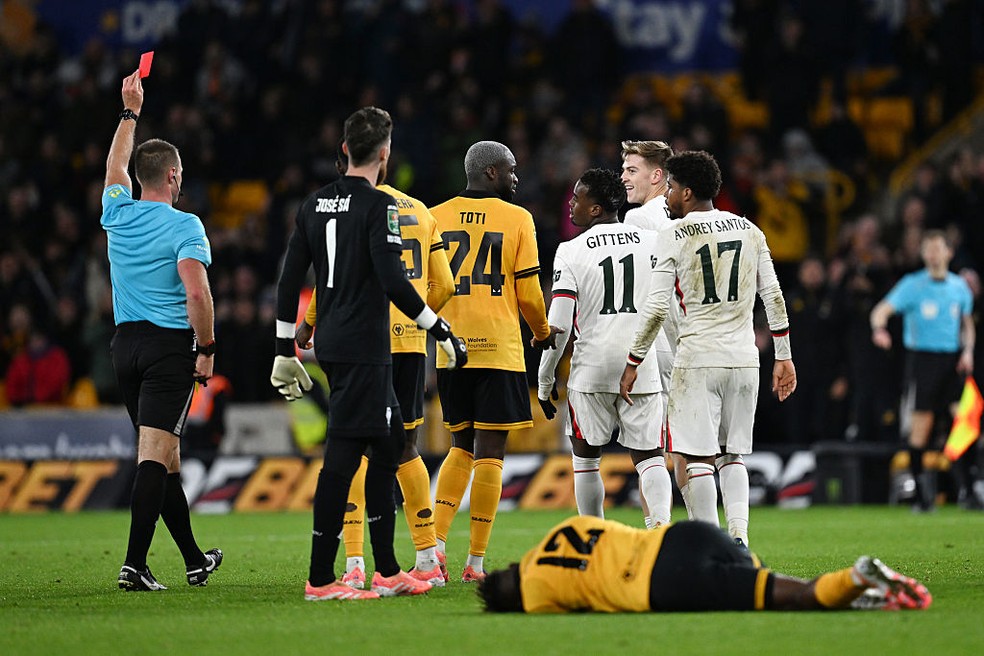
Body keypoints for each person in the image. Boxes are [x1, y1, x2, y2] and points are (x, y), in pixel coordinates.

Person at [271, 106, 467, 601]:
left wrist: (283, 347)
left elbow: (290, 278)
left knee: (385, 448)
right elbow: (392, 279)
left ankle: (386, 569)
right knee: (343, 457)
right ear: (385, 154)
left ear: (344, 151)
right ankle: (321, 578)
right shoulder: (380, 206)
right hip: (365, 344)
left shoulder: (313, 204)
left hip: (336, 342)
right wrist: (438, 328)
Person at [619, 151, 797, 549]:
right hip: (744, 358)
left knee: (695, 459)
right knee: (732, 456)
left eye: (670, 190)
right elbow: (773, 296)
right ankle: (739, 537)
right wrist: (783, 356)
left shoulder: (674, 234)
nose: (665, 197)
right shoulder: (751, 230)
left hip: (696, 358)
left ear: (686, 191)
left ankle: (712, 545)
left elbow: (657, 306)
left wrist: (634, 360)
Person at [102, 71, 222, 591]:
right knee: (154, 454)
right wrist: (208, 348)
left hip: (123, 347)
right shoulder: (185, 226)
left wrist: (130, 111)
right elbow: (196, 292)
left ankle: (195, 559)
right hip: (169, 349)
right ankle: (133, 565)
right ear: (172, 177)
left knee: (164, 453)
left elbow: (113, 166)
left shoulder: (116, 212)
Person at [429, 140, 562, 582]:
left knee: (459, 446)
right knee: (490, 453)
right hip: (499, 347)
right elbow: (528, 292)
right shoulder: (518, 218)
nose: (516, 177)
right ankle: (475, 564)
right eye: (510, 169)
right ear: (490, 173)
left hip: (451, 348)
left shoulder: (434, 215)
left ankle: (434, 552)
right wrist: (542, 333)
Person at [537, 169, 672, 529]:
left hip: (592, 365)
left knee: (585, 459)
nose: (570, 203)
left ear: (595, 209)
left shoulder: (570, 250)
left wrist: (545, 378)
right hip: (640, 362)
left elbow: (560, 325)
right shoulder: (652, 241)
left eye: (577, 197)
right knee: (650, 458)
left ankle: (594, 539)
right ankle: (659, 535)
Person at [476, 515, 932, 613]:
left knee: (788, 598)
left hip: (666, 582)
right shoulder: (562, 527)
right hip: (686, 534)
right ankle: (861, 596)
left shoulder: (535, 597)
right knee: (760, 577)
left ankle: (855, 579)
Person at [870, 230, 976, 512]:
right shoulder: (912, 285)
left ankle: (967, 491)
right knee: (921, 429)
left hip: (952, 362)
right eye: (927, 249)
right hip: (923, 361)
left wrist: (967, 351)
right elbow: (880, 311)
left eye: (937, 248)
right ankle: (920, 497)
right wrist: (879, 329)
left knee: (962, 424)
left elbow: (966, 324)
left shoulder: (959, 287)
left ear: (948, 253)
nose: (932, 254)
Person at [620, 140, 685, 513]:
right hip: (687, 340)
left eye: (632, 170)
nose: (624, 178)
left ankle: (655, 536)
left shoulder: (638, 219)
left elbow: (642, 293)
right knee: (687, 447)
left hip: (655, 342)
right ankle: (704, 530)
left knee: (648, 451)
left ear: (656, 175)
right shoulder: (683, 212)